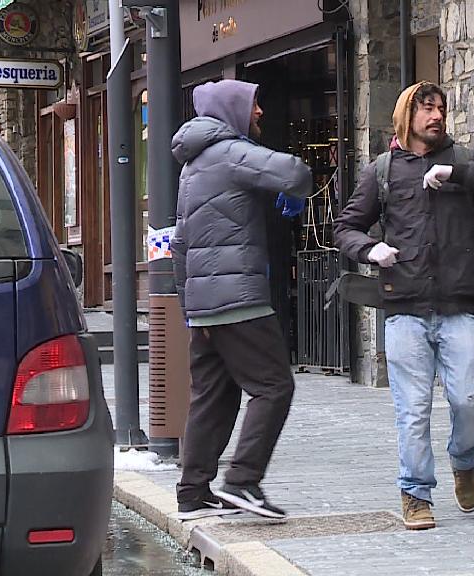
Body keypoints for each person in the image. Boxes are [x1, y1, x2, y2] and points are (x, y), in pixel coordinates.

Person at [333, 81, 474, 530]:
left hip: (459, 307)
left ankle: (464, 460)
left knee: (470, 399)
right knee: (413, 408)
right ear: (406, 116)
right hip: (404, 309)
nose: (436, 116)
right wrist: (369, 249)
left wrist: (458, 176)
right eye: (427, 109)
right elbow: (345, 228)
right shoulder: (383, 170)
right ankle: (415, 491)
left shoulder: (463, 160)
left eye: (440, 109)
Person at [170, 79, 311, 521]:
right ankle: (243, 481)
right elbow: (296, 173)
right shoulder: (228, 151)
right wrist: (289, 192)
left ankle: (193, 492)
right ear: (232, 110)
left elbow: (180, 243)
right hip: (239, 299)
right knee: (274, 387)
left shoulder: (192, 167)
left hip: (206, 303)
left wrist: (189, 307)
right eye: (253, 105)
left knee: (214, 395)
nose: (261, 114)